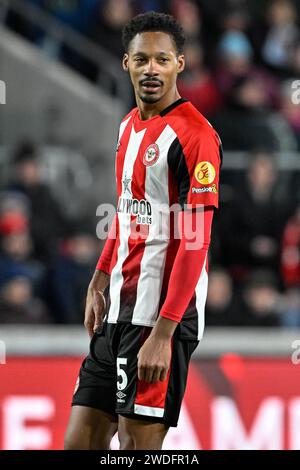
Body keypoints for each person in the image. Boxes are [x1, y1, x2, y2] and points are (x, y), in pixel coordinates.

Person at [64, 11, 222, 451]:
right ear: (125, 64)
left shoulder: (196, 138)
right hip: (117, 309)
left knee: (137, 449)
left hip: (157, 320)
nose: (151, 69)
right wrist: (99, 276)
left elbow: (195, 240)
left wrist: (164, 334)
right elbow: (126, 212)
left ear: (180, 65)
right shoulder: (127, 126)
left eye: (162, 60)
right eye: (142, 59)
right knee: (79, 443)